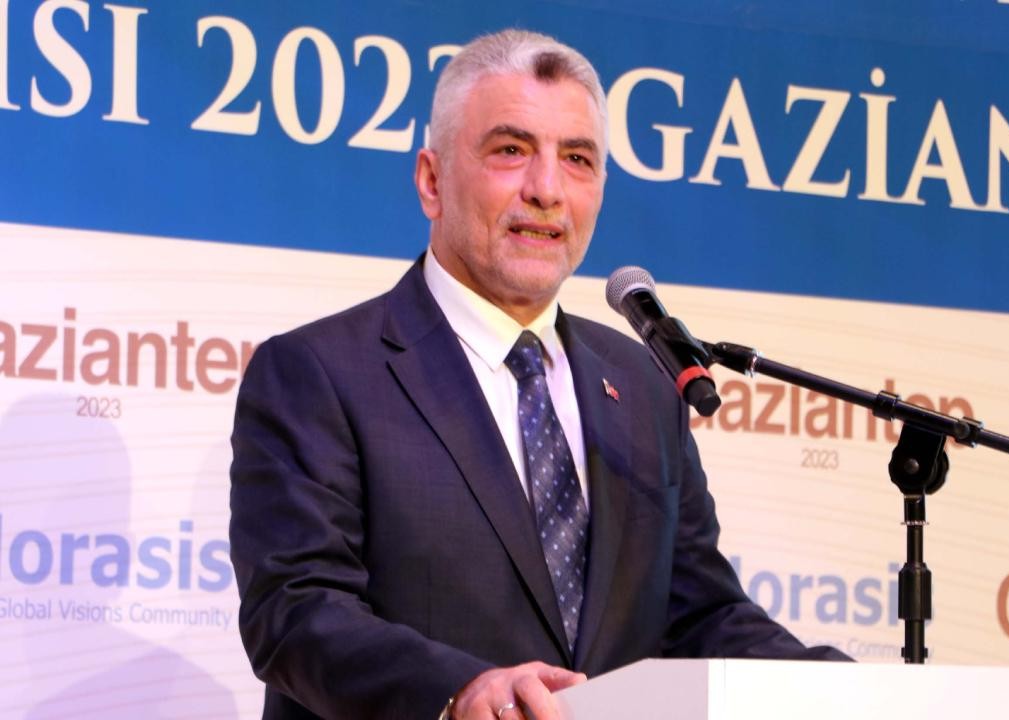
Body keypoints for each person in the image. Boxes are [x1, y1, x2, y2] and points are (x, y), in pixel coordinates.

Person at [229, 28, 847, 720]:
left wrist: (848, 690)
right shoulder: (320, 373)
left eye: (577, 159)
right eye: (511, 150)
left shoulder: (643, 386)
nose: (547, 189)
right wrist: (459, 690)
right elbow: (295, 611)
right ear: (432, 181)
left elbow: (699, 615)